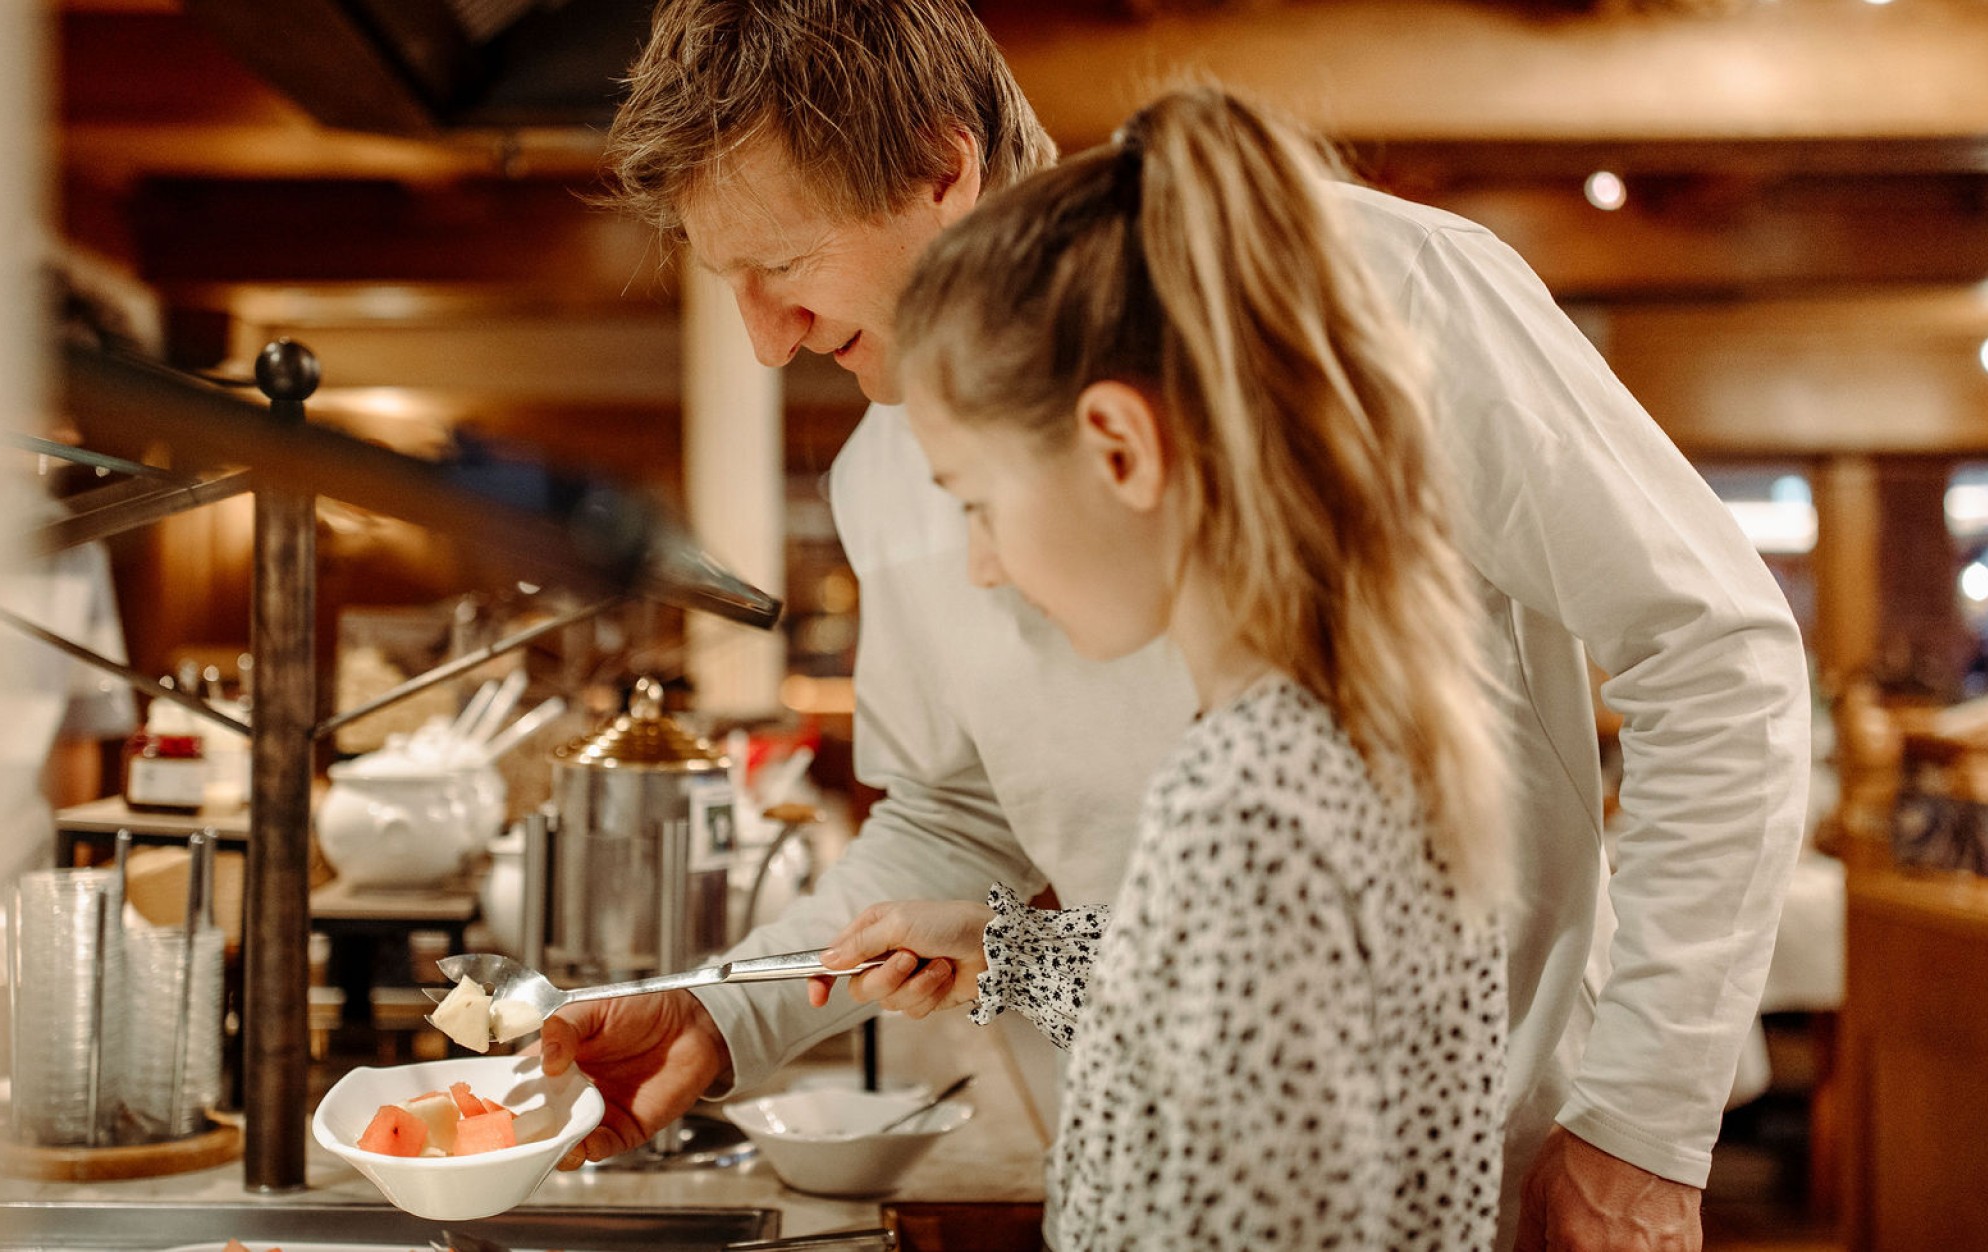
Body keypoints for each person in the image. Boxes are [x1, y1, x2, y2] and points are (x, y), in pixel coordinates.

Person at [538, 4, 1809, 1248]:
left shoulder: (1381, 293)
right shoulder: (887, 460)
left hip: (1506, 1151)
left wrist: (1644, 1117)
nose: (765, 344)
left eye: (781, 265)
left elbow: (1714, 656)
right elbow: (958, 815)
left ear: (940, 164)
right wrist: (725, 1013)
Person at [787, 84, 1512, 1248]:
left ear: (1118, 448)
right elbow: (1234, 1012)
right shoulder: (1363, 734)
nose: (978, 565)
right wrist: (1008, 953)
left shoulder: (1241, 799)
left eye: (979, 503)